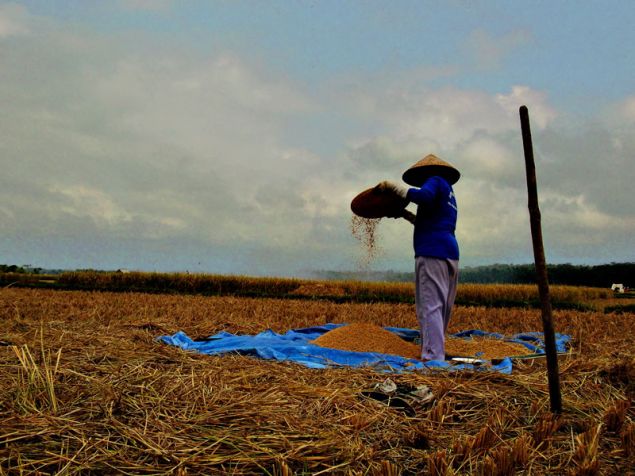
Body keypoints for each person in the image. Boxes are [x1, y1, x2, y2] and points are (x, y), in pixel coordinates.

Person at [378, 154, 460, 361]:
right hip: (449, 251)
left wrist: (393, 187)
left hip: (431, 250)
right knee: (441, 307)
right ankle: (436, 351)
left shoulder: (435, 180)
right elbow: (429, 223)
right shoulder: (449, 194)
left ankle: (432, 358)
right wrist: (403, 214)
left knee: (429, 305)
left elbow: (423, 196)